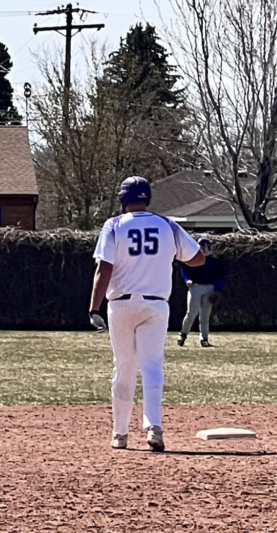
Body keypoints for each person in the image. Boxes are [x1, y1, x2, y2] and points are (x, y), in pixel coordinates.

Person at [88, 176, 204, 452]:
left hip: (122, 304)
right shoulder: (167, 225)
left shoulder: (114, 225)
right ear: (147, 198)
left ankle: (120, 434)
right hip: (156, 304)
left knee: (124, 367)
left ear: (123, 199)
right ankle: (154, 427)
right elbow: (197, 258)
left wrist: (93, 307)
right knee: (152, 366)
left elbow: (104, 269)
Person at [178, 238, 227, 348]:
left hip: (210, 287)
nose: (202, 249)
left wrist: (218, 290)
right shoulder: (194, 259)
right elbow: (184, 269)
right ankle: (183, 334)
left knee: (205, 315)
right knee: (191, 313)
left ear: (209, 247)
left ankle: (204, 339)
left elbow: (220, 277)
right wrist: (187, 279)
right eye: (200, 247)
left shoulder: (215, 260)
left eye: (204, 246)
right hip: (196, 286)